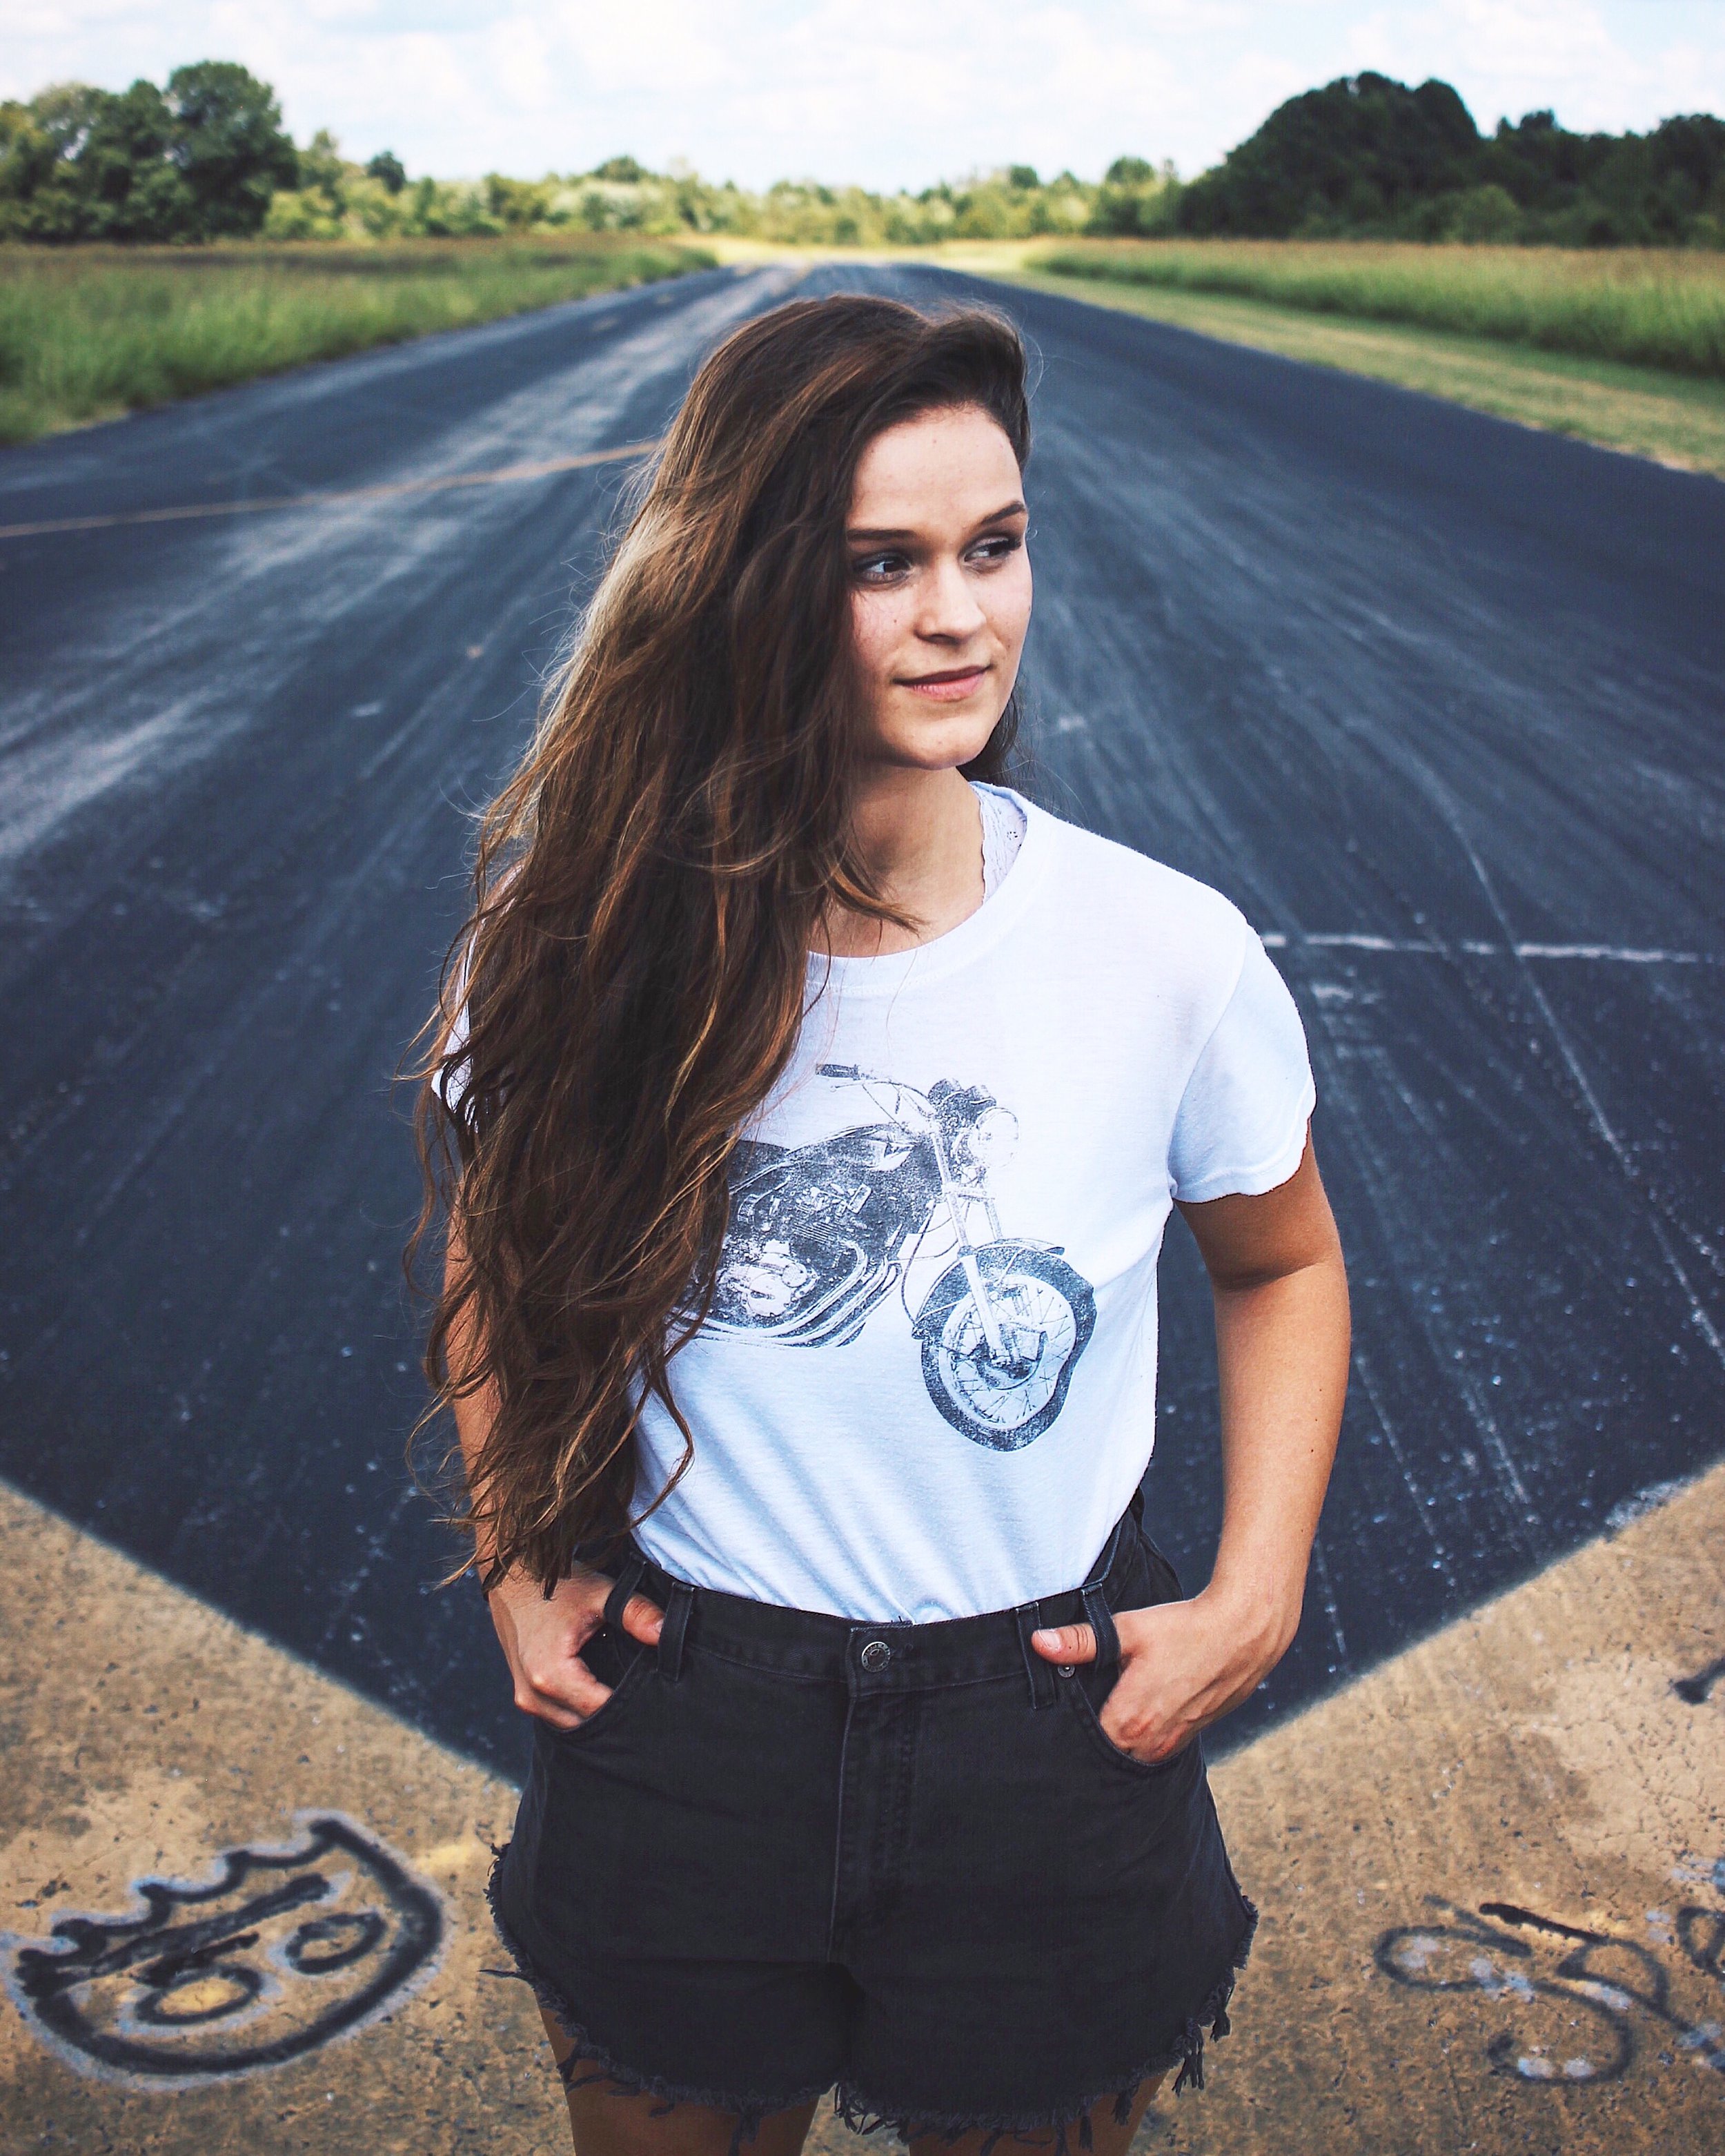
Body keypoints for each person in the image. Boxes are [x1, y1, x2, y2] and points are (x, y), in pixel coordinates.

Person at [415, 295, 1350, 2156]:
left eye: (993, 545)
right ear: (749, 584)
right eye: (882, 563)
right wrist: (518, 1549)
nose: (960, 615)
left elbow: (1282, 1261)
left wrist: (1252, 1593)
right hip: (690, 1717)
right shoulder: (576, 932)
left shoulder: (1160, 949)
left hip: (1043, 1724)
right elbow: (491, 1263)